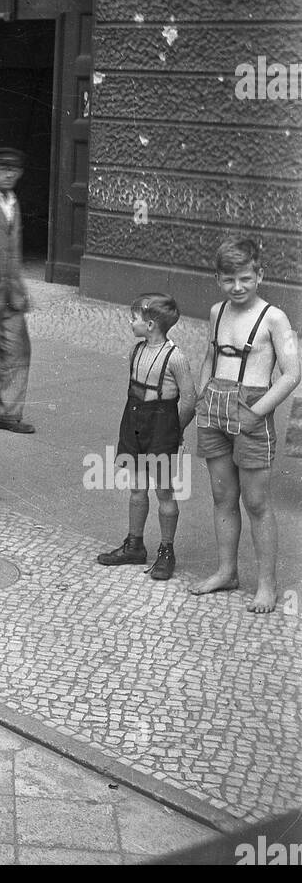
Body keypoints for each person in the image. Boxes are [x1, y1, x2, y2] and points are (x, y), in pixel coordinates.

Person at [191, 237, 300, 613]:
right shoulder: (216, 311)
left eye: (245, 278)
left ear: (259, 274)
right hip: (214, 412)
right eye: (228, 280)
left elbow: (291, 375)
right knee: (222, 496)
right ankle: (226, 571)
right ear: (218, 279)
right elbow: (209, 355)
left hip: (252, 410)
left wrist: (257, 412)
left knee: (256, 502)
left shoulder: (275, 317)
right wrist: (203, 394)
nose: (237, 287)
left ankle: (267, 585)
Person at [96, 294, 197, 580]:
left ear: (150, 324)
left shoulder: (175, 357)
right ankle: (134, 544)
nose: (130, 322)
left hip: (161, 424)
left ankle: (166, 551)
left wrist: (174, 431)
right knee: (137, 486)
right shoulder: (136, 351)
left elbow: (189, 399)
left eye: (134, 318)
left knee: (164, 490)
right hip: (134, 420)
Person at [0, 147, 35, 434]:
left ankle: (4, 413)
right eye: (2, 167)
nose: (8, 173)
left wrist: (20, 287)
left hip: (10, 297)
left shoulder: (13, 202)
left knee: (16, 351)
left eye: (14, 169)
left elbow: (14, 253)